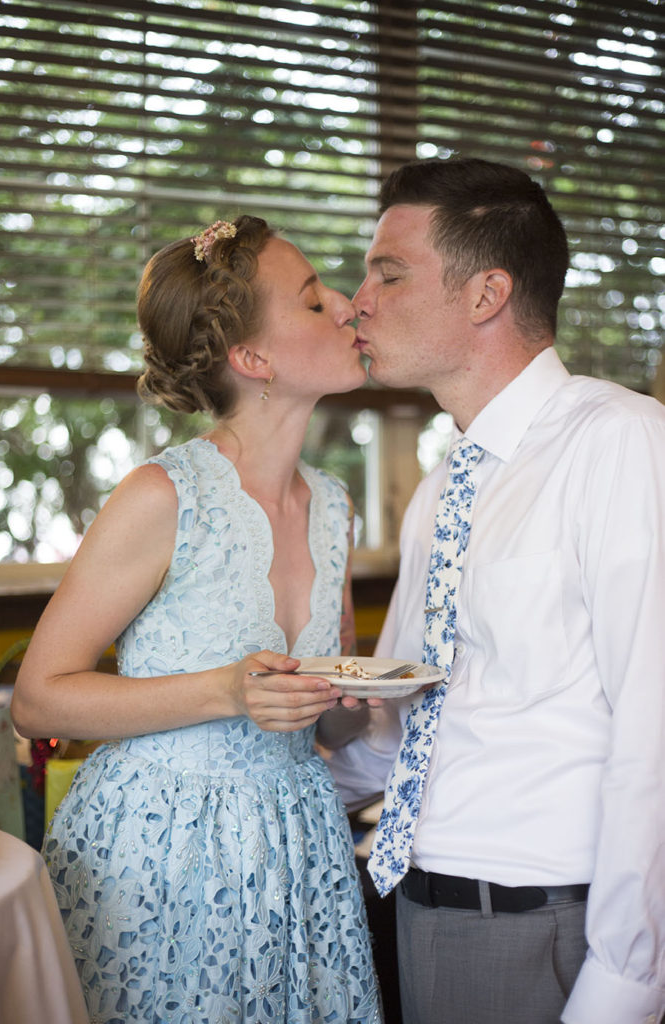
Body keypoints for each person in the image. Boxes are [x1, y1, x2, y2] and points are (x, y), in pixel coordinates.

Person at [11, 215, 383, 1024]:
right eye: (315, 301)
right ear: (254, 360)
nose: (351, 305)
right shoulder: (161, 496)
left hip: (298, 851)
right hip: (157, 855)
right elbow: (37, 699)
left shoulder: (333, 505)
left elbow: (325, 726)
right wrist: (225, 691)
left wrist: (352, 707)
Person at [328, 158, 665, 1024]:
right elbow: (407, 713)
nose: (356, 299)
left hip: (545, 923)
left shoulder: (622, 443)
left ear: (485, 295)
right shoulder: (445, 483)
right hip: (413, 900)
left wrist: (623, 985)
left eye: (387, 273)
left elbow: (654, 731)